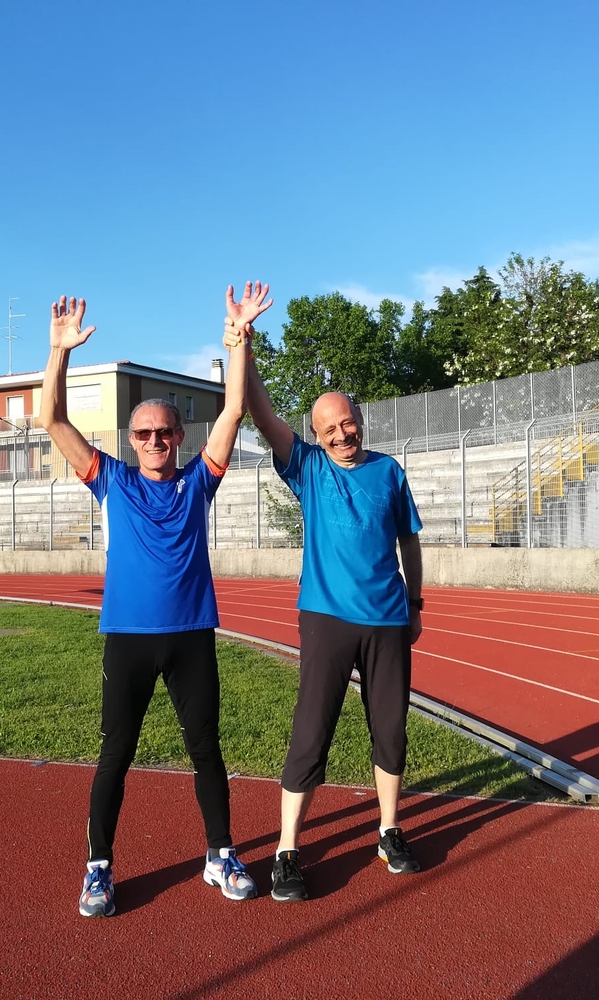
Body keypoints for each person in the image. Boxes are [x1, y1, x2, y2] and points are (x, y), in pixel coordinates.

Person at [40, 283, 273, 917]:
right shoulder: (109, 479)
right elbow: (52, 420)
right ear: (130, 438)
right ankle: (98, 867)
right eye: (143, 433)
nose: (153, 441)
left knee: (206, 747)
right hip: (129, 638)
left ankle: (219, 854)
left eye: (164, 432)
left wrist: (238, 339)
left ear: (178, 436)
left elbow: (232, 413)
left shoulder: (201, 479)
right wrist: (58, 351)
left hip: (192, 633)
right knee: (116, 752)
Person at [224, 315, 424, 902]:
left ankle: (389, 831)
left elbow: (409, 540)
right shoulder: (308, 467)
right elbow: (261, 414)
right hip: (327, 619)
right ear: (316, 435)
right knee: (312, 733)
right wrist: (245, 348)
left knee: (390, 731)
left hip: (387, 620)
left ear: (360, 421)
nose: (342, 435)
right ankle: (288, 848)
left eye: (348, 423)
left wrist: (414, 602)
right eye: (329, 428)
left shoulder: (389, 471)